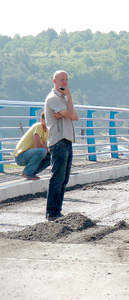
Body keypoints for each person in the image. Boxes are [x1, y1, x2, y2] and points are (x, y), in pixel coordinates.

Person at [44, 70, 79, 221]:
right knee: (57, 177)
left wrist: (67, 107)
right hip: (59, 140)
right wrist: (69, 99)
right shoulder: (53, 98)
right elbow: (71, 115)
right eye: (61, 80)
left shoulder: (63, 99)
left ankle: (57, 210)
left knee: (64, 178)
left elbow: (75, 116)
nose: (65, 83)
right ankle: (52, 212)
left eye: (66, 80)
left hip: (67, 140)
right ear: (54, 81)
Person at [13, 112, 50, 180]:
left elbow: (44, 146)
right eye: (45, 119)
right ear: (41, 119)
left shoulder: (47, 131)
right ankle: (27, 172)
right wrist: (47, 148)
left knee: (50, 157)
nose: (48, 121)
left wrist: (47, 149)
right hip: (20, 156)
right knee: (42, 151)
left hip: (30, 155)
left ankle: (32, 173)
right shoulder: (38, 126)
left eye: (49, 119)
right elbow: (38, 146)